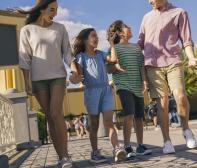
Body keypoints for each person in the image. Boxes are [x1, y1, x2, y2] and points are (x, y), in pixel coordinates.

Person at [138, 0, 197, 154]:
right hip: (152, 65)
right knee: (162, 103)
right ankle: (167, 141)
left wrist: (191, 57)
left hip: (173, 60)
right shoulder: (146, 17)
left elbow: (186, 39)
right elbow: (140, 43)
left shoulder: (179, 12)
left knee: (180, 96)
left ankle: (186, 129)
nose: (150, 1)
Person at [18, 0, 74, 167]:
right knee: (49, 116)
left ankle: (65, 156)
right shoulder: (27, 30)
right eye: (51, 9)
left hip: (57, 75)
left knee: (56, 112)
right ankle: (61, 157)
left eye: (56, 10)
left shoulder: (60, 28)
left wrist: (74, 70)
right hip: (38, 79)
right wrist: (26, 82)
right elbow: (24, 58)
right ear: (41, 10)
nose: (55, 13)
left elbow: (67, 53)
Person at [70, 28, 126, 163]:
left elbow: (113, 59)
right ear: (85, 40)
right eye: (93, 36)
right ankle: (95, 153)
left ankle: (117, 148)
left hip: (106, 90)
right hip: (91, 92)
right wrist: (75, 77)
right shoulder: (80, 57)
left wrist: (112, 44)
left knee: (109, 122)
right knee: (94, 125)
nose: (96, 38)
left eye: (96, 36)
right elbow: (79, 76)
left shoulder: (100, 54)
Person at [107, 20, 152, 158]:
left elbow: (141, 66)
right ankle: (127, 146)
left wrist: (145, 81)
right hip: (123, 85)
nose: (130, 27)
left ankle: (140, 146)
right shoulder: (114, 49)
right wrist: (115, 65)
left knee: (139, 116)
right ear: (120, 33)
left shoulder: (137, 48)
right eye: (126, 27)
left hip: (137, 85)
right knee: (129, 113)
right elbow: (109, 69)